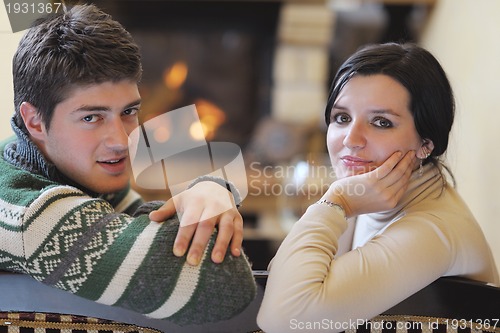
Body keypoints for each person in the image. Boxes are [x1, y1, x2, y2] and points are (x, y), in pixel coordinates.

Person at [0, 4, 256, 326]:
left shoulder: (30, 156)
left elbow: (139, 223)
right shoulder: (30, 214)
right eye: (91, 117)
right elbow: (225, 288)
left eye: (128, 112)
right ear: (34, 121)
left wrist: (210, 189)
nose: (122, 141)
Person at [257, 42, 499, 332]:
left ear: (426, 144)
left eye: (381, 122)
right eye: (342, 118)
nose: (351, 139)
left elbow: (282, 321)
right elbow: (282, 280)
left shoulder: (433, 230)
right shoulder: (368, 191)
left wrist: (337, 202)